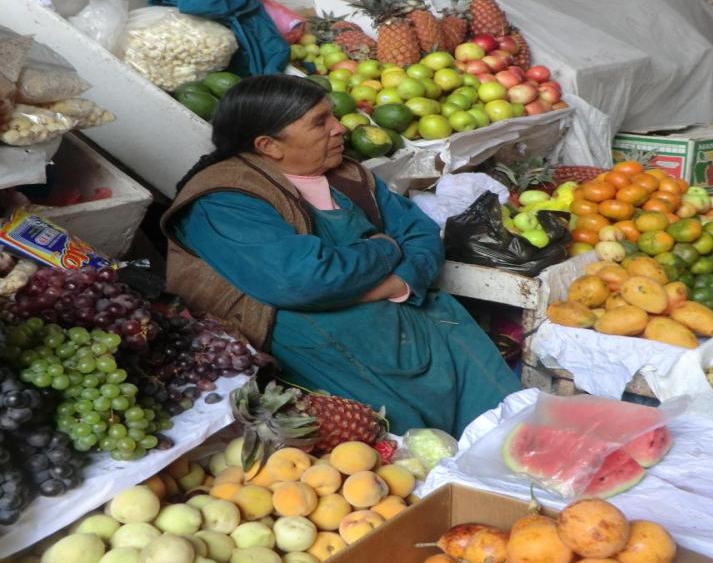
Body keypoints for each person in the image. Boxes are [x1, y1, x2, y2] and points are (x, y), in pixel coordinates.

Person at [162, 75, 520, 437]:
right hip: (335, 353)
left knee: (516, 431)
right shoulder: (224, 201)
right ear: (269, 145)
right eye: (320, 122)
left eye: (333, 115)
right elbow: (304, 279)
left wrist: (398, 283)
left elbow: (421, 234)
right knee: (414, 456)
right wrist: (386, 247)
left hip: (427, 327)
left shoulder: (347, 175)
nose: (340, 128)